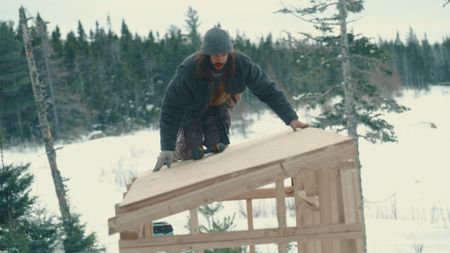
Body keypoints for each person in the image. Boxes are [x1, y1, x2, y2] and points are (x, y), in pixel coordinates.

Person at [153, 27, 309, 172]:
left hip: (219, 105)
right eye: (215, 55)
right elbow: (171, 107)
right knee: (192, 153)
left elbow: (268, 90)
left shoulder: (242, 64)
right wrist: (167, 147)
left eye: (223, 54)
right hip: (193, 110)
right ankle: (179, 152)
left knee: (218, 147)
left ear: (229, 52)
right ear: (207, 55)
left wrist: (291, 118)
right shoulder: (189, 71)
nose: (220, 59)